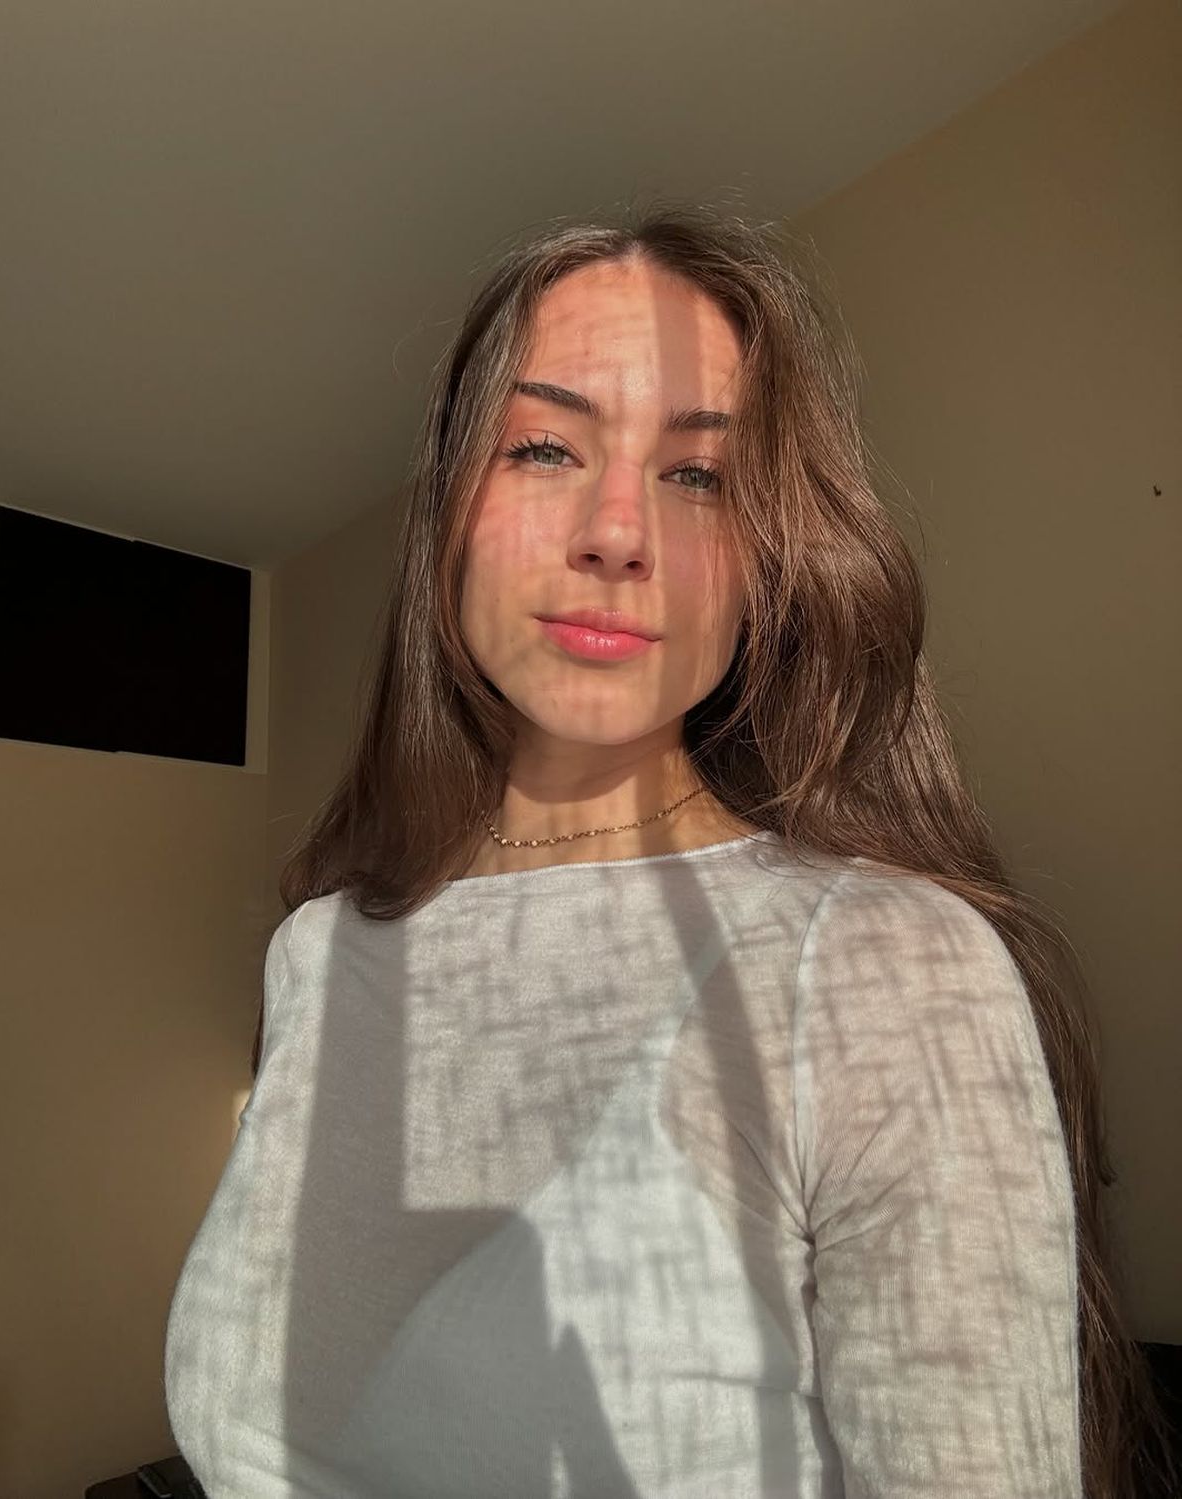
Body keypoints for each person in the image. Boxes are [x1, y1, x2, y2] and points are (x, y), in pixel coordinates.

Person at [164, 202, 1176, 1498]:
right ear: (449, 512)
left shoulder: (884, 969)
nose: (618, 531)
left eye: (699, 476)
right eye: (543, 447)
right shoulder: (317, 951)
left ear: (768, 564)